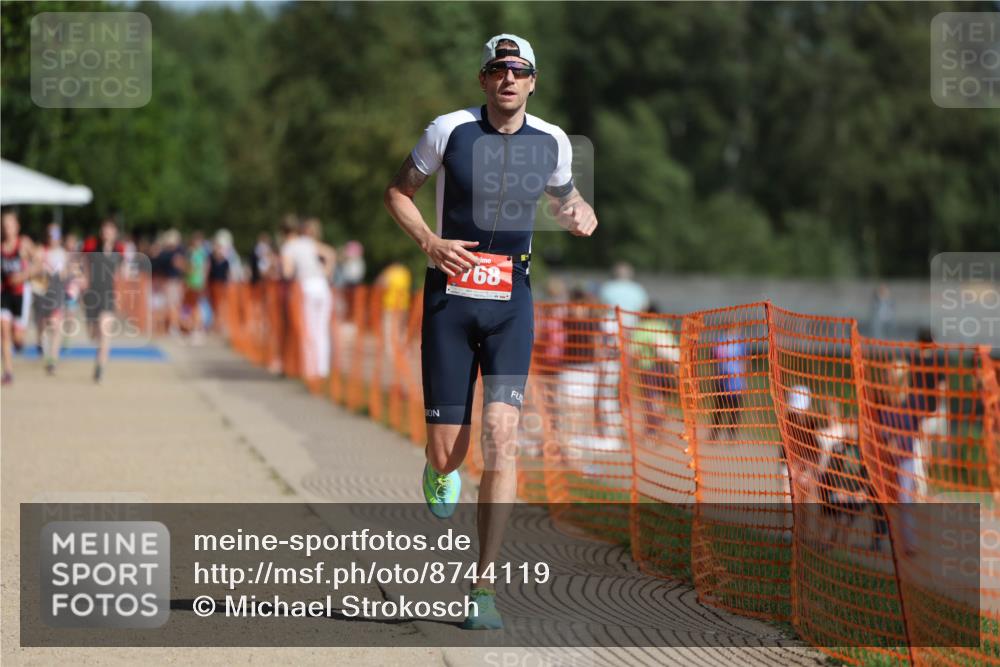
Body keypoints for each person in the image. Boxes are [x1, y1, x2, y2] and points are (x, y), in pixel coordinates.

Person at [383, 33, 597, 630]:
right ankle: (438, 468)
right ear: (483, 80)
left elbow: (564, 198)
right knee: (449, 454)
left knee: (505, 439)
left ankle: (483, 586)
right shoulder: (448, 131)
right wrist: (428, 241)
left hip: (511, 302)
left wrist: (581, 212)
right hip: (451, 300)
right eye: (498, 69)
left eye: (520, 71)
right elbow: (398, 192)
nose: (509, 79)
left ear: (533, 83)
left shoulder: (552, 141)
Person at [281, 217, 335, 380]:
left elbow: (287, 272)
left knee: (309, 330)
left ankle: (310, 370)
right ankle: (322, 369)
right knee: (321, 330)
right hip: (322, 286)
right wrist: (326, 272)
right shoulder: (308, 243)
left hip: (305, 287)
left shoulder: (288, 247)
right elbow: (330, 253)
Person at [82, 218, 125, 383]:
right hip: (93, 294)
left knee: (105, 331)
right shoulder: (91, 247)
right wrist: (83, 284)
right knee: (94, 334)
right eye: (105, 228)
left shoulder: (119, 251)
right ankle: (100, 351)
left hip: (108, 294)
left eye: (110, 229)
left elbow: (121, 274)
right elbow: (84, 267)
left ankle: (100, 368)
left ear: (115, 232)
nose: (107, 232)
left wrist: (121, 294)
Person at [1, 209, 33, 385]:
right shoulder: (1, 246)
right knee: (4, 333)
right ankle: (8, 372)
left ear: (17, 226)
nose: (7, 229)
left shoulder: (24, 244)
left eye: (10, 225)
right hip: (4, 293)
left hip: (21, 293)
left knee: (17, 338)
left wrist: (23, 274)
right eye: (4, 225)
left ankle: (19, 342)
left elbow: (39, 263)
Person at [33, 223, 70, 375]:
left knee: (55, 325)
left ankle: (52, 360)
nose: (53, 238)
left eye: (56, 235)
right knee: (43, 325)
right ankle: (43, 348)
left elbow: (66, 273)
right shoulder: (41, 251)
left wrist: (64, 274)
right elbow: (34, 270)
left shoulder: (63, 253)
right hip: (42, 292)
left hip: (57, 292)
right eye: (50, 235)